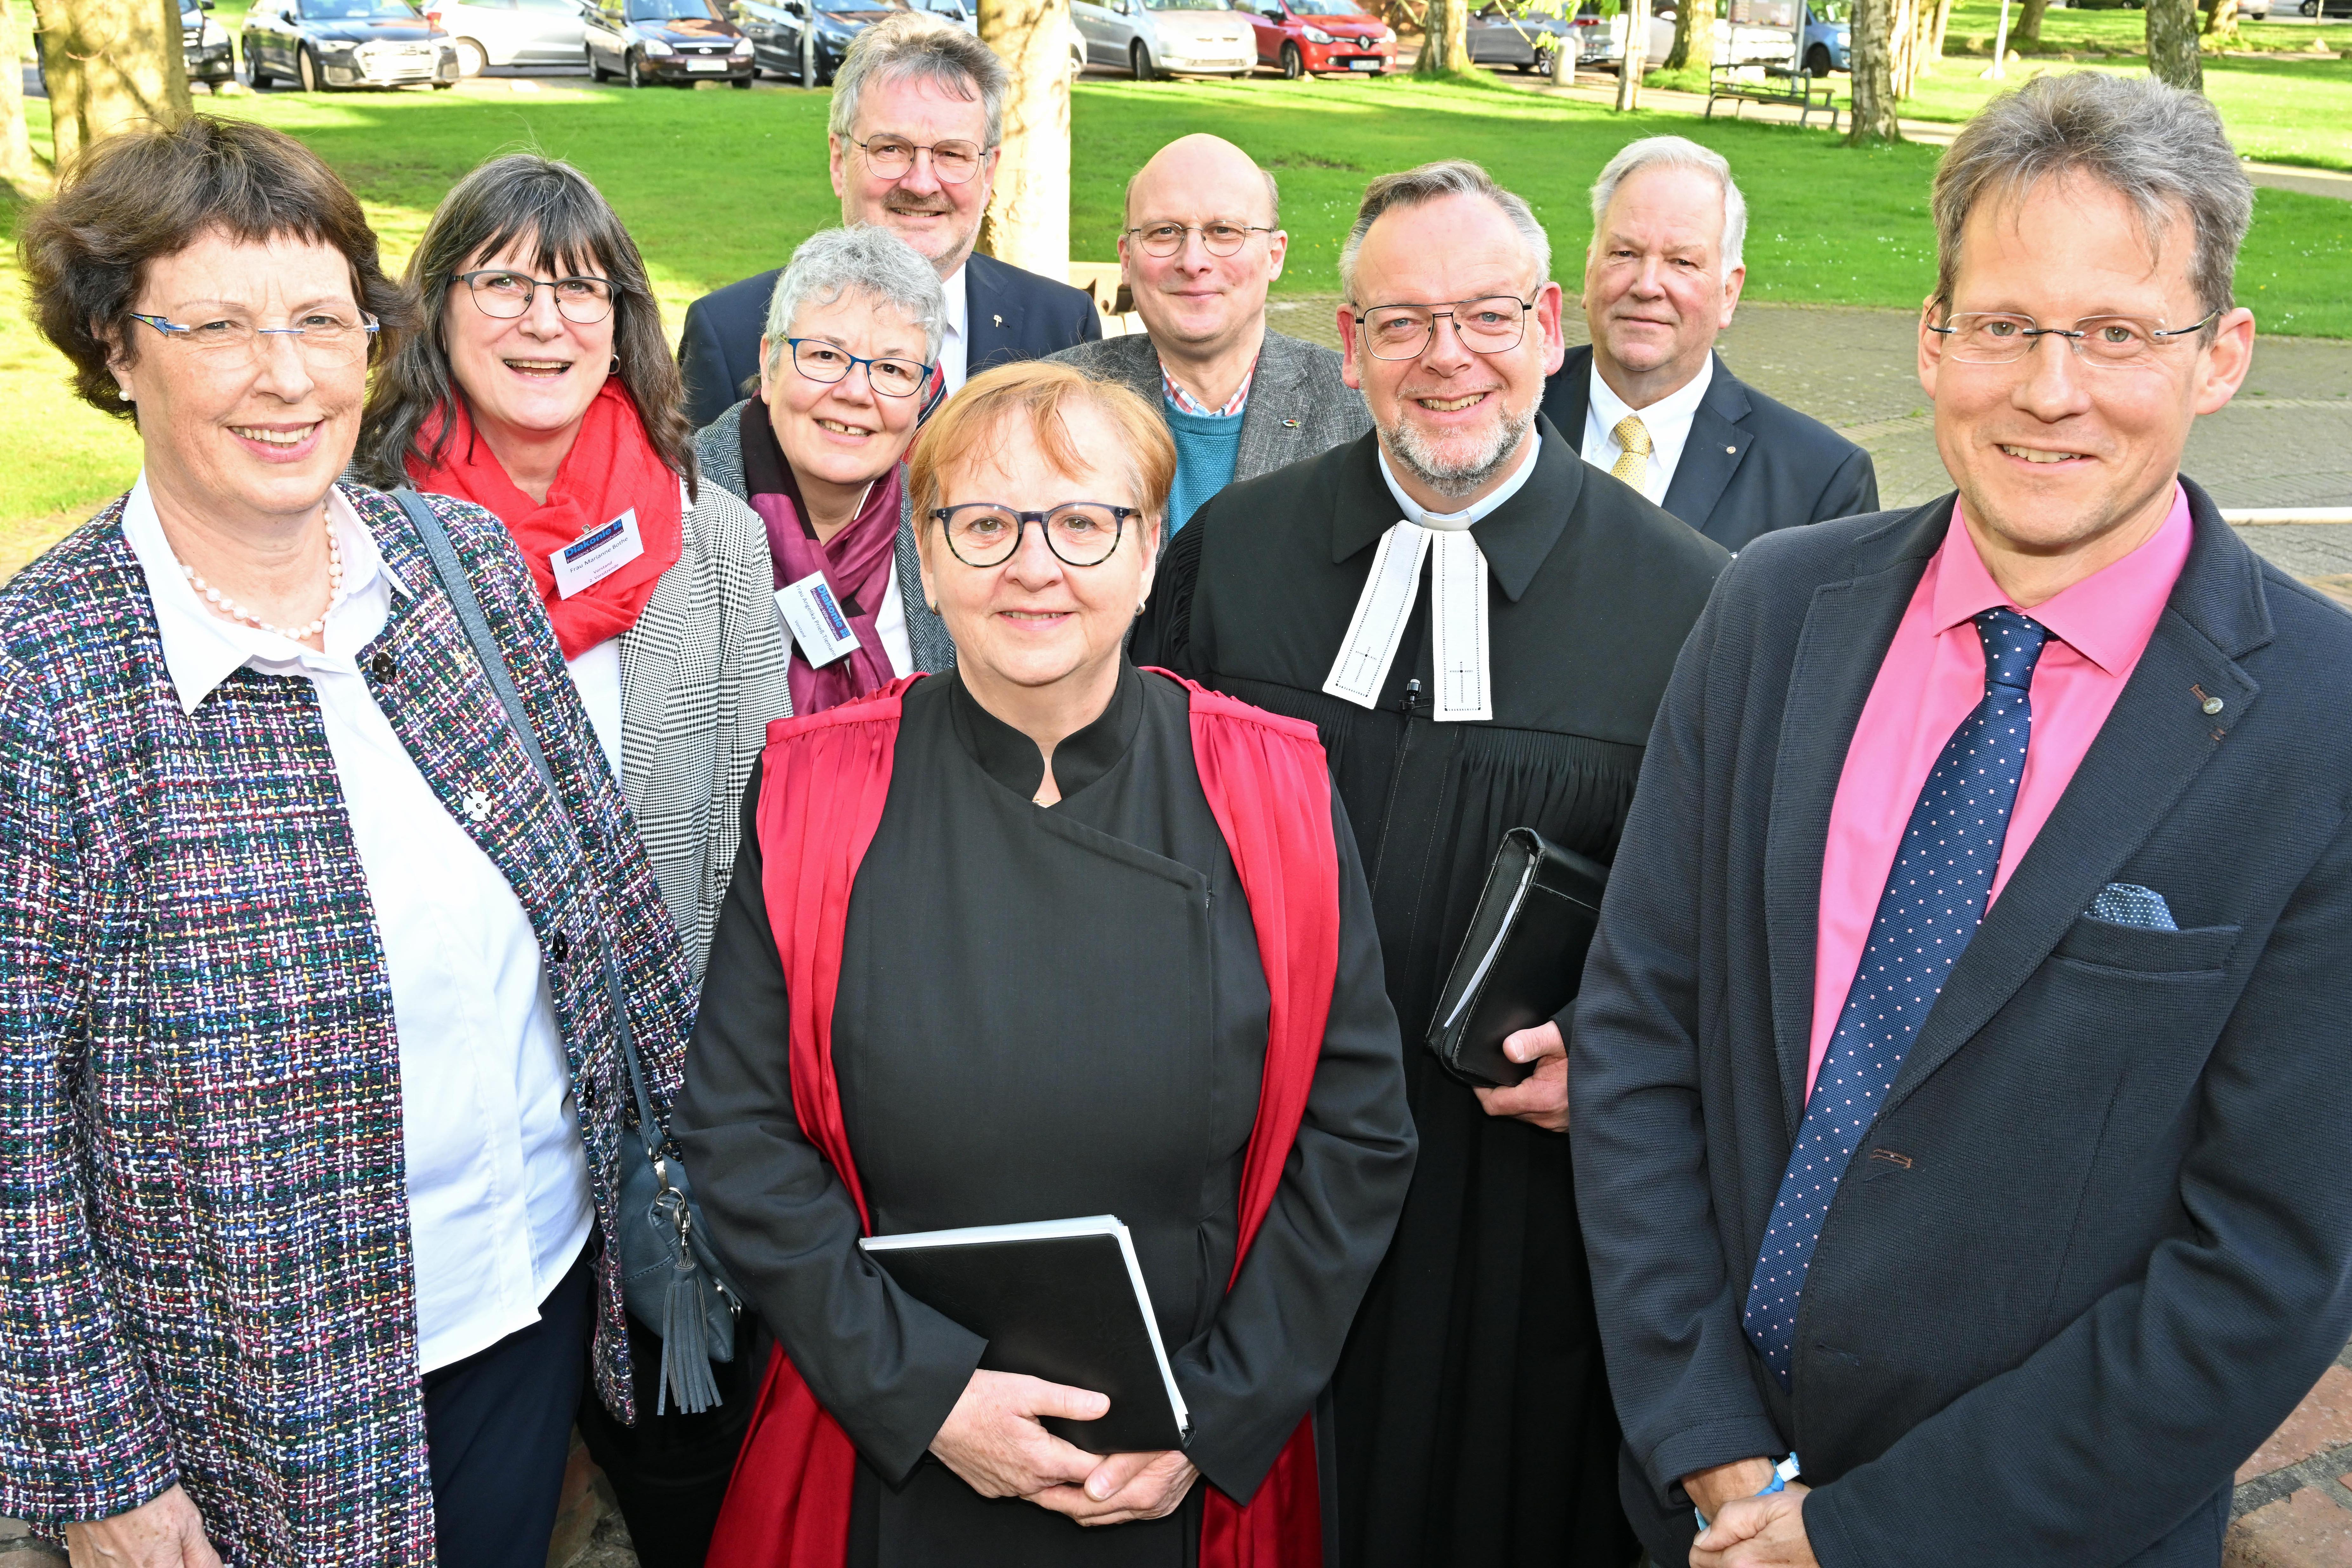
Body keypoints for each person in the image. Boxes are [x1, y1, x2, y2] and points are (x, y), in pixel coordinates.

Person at [1570, 73, 2352, 1568]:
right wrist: (1715, 1452)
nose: (2047, 388)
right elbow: (1637, 1037)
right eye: (2001, 324)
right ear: (1930, 342)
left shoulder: (2317, 728)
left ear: (2222, 356)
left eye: (2117, 333)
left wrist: (1858, 1536)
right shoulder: (1771, 611)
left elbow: (2261, 1263)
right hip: (1698, 1501)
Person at [0, 116, 695, 1566]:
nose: (288, 373)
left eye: (323, 319)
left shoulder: (460, 568)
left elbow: (612, 903)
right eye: (221, 323)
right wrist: (101, 1473)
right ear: (116, 349)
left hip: (529, 1308)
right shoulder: (44, 680)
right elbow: (14, 1137)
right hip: (248, 1410)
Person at [676, 361, 1418, 1567]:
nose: (1033, 566)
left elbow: (1358, 1135)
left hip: (1181, 1456)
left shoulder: (1268, 787)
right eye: (984, 524)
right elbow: (737, 1132)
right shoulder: (818, 790)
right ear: (925, 555)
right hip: (895, 1440)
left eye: (1081, 522)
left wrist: (1213, 1418)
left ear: (1147, 552)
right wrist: (923, 1395)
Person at [1140, 160, 1728, 1568]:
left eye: (1482, 316)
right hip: (1253, 1185)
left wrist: (1626, 1051)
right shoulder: (1235, 556)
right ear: (1347, 348)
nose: (1445, 357)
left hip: (1516, 1216)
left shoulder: (1694, 601)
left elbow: (1730, 922)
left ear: (1543, 327)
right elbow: (1137, 832)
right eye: (1401, 322)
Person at [355, 153, 792, 1568]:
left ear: (623, 321)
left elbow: (753, 819)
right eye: (503, 283)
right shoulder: (355, 538)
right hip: (444, 1109)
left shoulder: (712, 540)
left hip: (659, 1092)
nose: (544, 324)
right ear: (436, 311)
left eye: (579, 287)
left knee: (672, 1463)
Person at [677, 13, 1100, 428]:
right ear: (839, 161)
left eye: (952, 154)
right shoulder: (729, 333)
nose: (920, 184)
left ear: (988, 174)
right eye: (890, 149)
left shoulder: (1063, 326)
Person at [1539, 136, 1877, 551]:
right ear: (1590, 270)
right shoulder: (1506, 412)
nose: (1647, 286)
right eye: (1625, 253)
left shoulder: (1820, 481)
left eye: (1683, 262)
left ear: (1729, 293)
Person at [1049, 134, 1368, 534]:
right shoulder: (1050, 404)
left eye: (1224, 231)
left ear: (1275, 255)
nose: (1193, 261)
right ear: (1126, 259)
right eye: (1164, 232)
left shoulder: (1360, 412)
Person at [694, 224, 955, 709]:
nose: (856, 391)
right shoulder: (673, 508)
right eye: (826, 355)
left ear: (922, 399)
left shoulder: (948, 532)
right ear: (770, 364)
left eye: (893, 369)